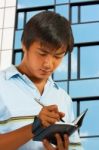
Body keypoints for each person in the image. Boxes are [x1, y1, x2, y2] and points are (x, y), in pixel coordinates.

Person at [0, 11, 83, 150]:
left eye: (57, 56)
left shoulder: (64, 98)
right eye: (42, 53)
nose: (48, 64)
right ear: (24, 45)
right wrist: (33, 128)